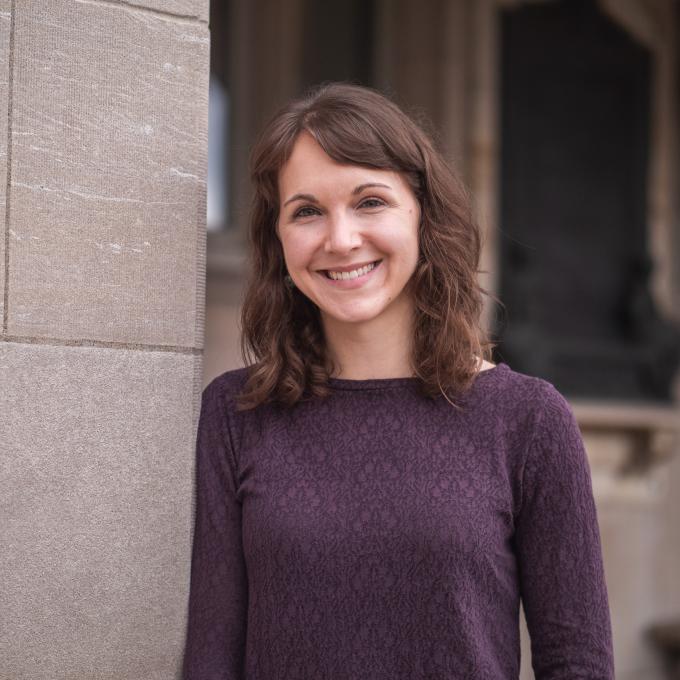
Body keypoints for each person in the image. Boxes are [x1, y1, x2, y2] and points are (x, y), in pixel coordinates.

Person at [181, 82, 614, 679]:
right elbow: (210, 661)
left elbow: (578, 664)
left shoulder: (528, 420)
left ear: (423, 216)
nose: (340, 239)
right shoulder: (236, 413)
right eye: (306, 211)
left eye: (370, 202)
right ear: (278, 240)